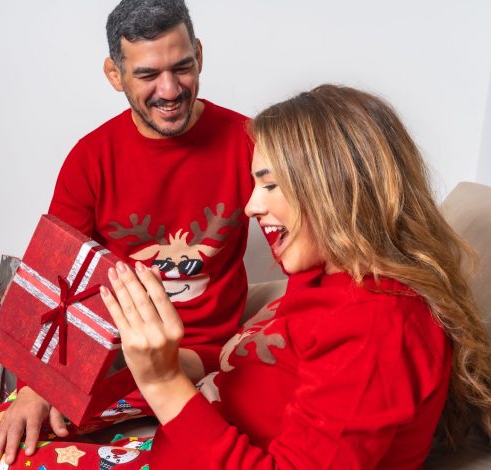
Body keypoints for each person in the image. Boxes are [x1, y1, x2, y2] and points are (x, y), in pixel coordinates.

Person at [99, 84, 491, 468]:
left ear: (336, 185)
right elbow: (268, 368)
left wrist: (163, 383)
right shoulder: (322, 274)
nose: (251, 206)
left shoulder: (378, 323)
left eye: (270, 184)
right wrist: (166, 362)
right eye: (255, 184)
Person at [0, 0, 254, 467]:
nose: (170, 89)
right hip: (117, 362)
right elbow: (54, 283)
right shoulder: (90, 158)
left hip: (208, 357)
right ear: (115, 75)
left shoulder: (248, 140)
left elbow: (305, 246)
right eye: (148, 75)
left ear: (199, 54)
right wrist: (35, 387)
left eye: (183, 67)